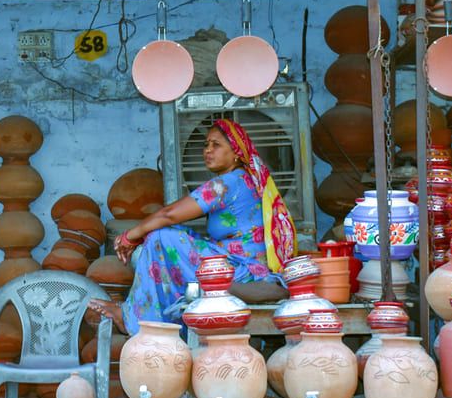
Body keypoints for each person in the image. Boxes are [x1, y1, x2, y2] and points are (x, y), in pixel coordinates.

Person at [88, 120, 297, 335]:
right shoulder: (243, 179)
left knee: (160, 238)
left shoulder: (226, 183)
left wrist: (130, 236)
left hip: (242, 272)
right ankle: (153, 321)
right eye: (206, 145)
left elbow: (168, 215)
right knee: (171, 236)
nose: (207, 150)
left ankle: (136, 319)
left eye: (216, 145)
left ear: (236, 152)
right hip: (247, 267)